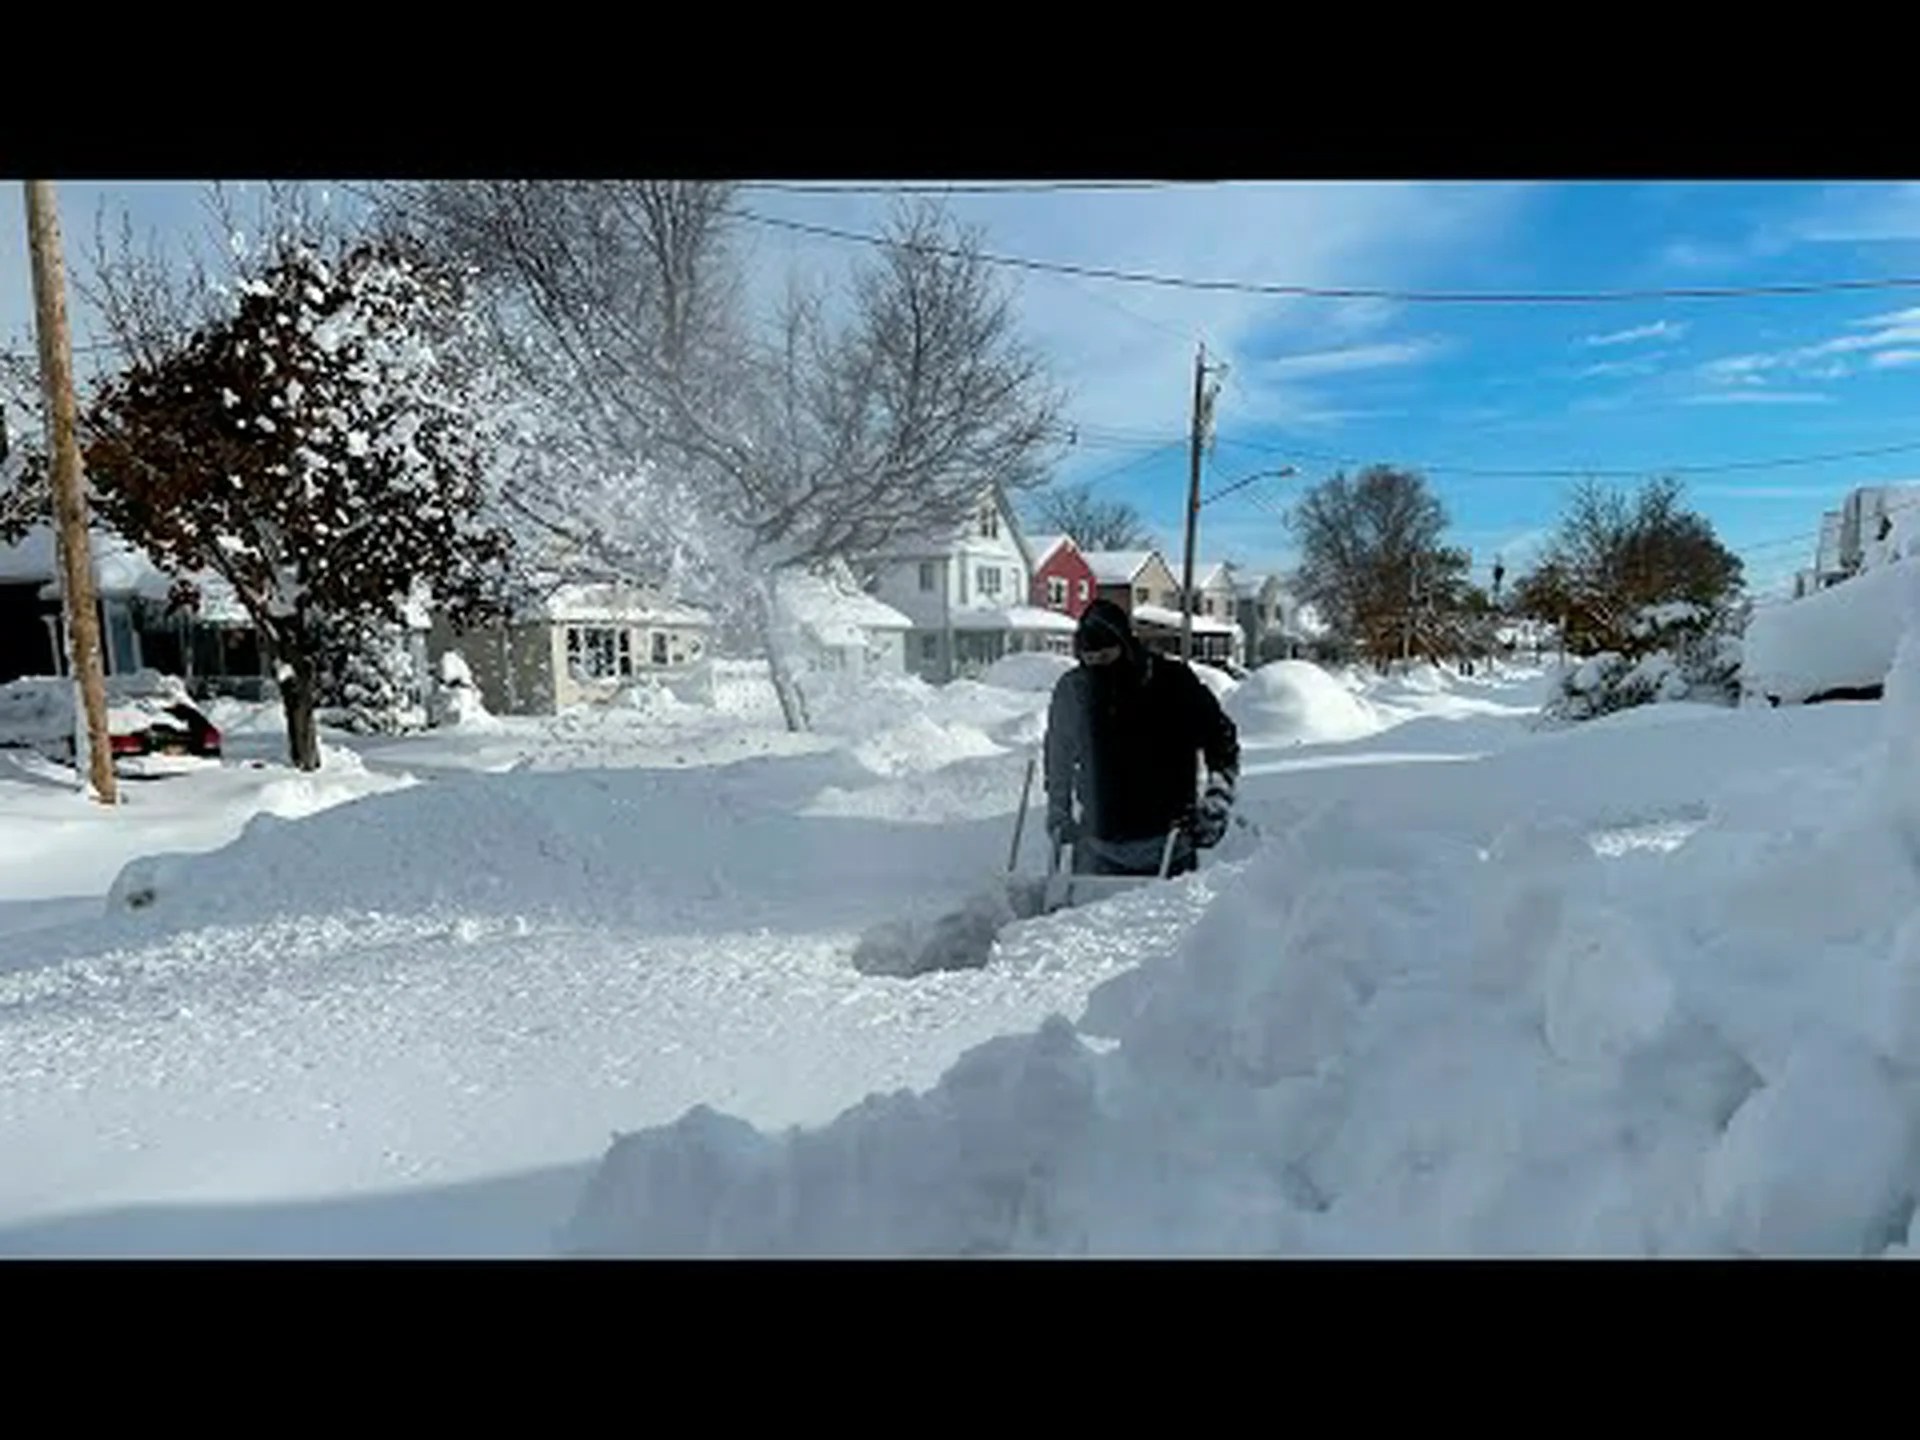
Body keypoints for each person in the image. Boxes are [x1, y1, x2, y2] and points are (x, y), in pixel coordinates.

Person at [1043, 598, 1240, 879]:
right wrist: (1058, 809)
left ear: (1125, 645)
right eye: (1090, 660)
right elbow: (1058, 755)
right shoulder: (1074, 690)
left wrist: (1217, 800)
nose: (1098, 667)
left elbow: (1221, 740)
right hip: (1097, 846)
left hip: (1169, 845)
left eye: (1106, 657)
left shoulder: (1172, 683)